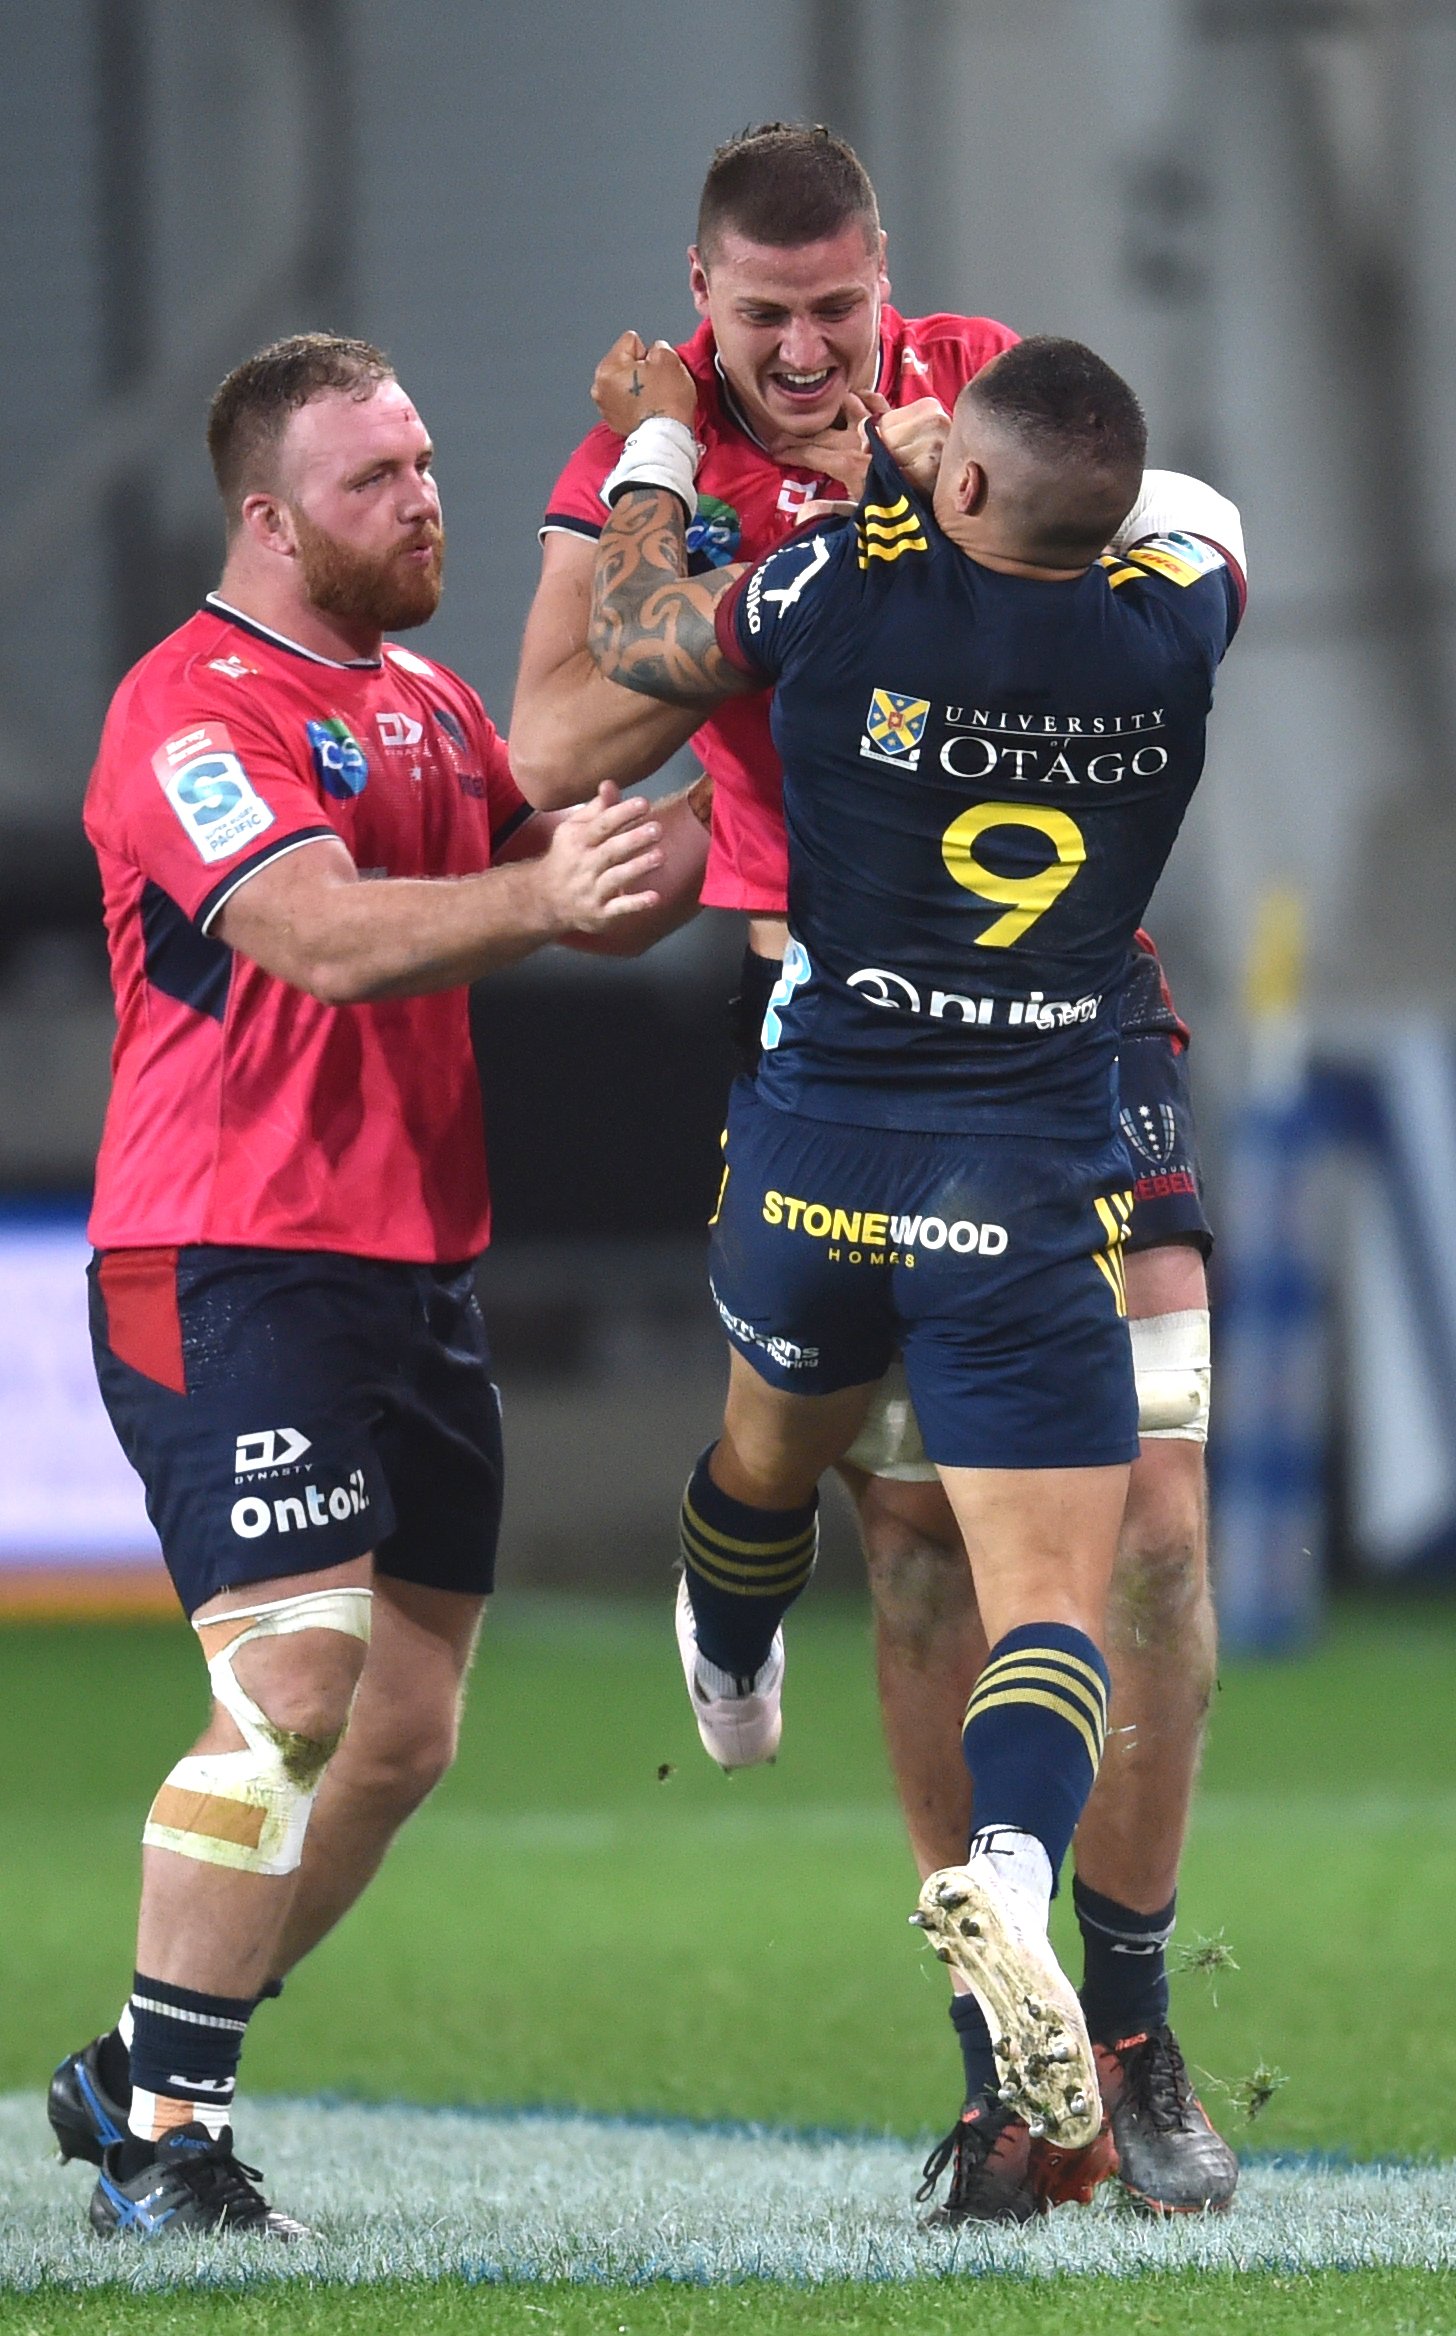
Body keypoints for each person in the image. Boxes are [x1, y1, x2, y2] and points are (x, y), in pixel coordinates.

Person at [511, 123, 1234, 2219]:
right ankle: (1002, 2074)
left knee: (1157, 1533)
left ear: (884, 277)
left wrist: (920, 489)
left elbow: (1084, 538)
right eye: (766, 320)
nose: (815, 350)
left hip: (1087, 1038)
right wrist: (694, 488)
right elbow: (552, 739)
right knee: (919, 1543)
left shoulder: (974, 384)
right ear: (698, 304)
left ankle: (1122, 2017)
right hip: (840, 1032)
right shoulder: (646, 458)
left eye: (841, 305)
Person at [47, 332, 709, 2240]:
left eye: (424, 462)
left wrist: (684, 851)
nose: (421, 497)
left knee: (405, 1729)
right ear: (268, 517)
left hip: (418, 1266)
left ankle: (143, 2054)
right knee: (296, 1683)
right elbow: (323, 936)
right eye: (373, 479)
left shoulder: (416, 696)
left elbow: (537, 855)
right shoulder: (189, 706)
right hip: (229, 1255)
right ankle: (168, 2129)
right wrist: (544, 897)